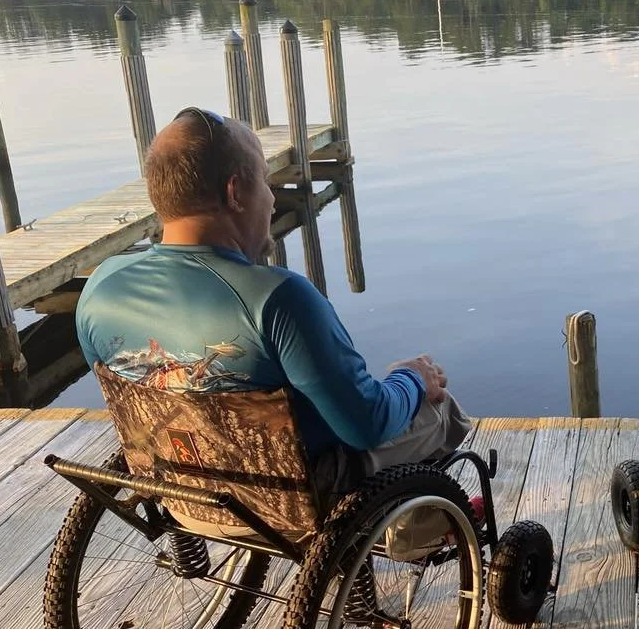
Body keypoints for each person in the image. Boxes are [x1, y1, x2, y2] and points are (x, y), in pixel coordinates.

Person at [76, 107, 471, 502]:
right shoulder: (278, 300)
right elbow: (365, 425)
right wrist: (413, 378)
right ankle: (419, 540)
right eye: (265, 181)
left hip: (179, 485)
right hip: (286, 497)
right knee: (437, 410)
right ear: (235, 194)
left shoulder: (100, 286)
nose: (272, 199)